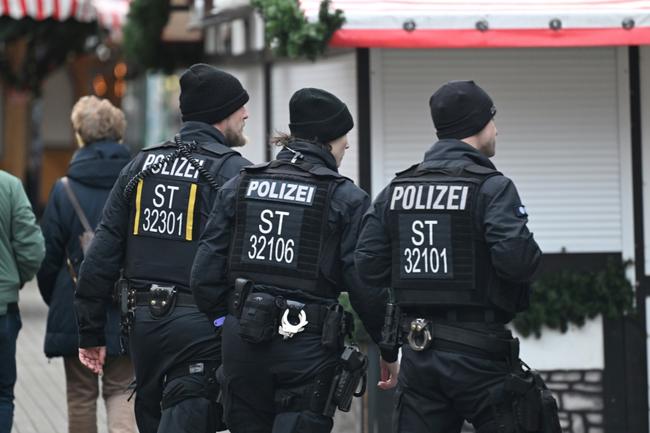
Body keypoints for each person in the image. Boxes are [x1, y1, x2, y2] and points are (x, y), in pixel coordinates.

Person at [355, 81, 559, 433]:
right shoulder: (492, 187)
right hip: (481, 356)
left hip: (420, 355)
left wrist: (392, 337)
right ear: (477, 125)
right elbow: (519, 261)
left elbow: (367, 266)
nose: (497, 129)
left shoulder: (397, 190)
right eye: (493, 120)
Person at [190, 87, 398, 433]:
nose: (347, 145)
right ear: (328, 140)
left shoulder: (240, 186)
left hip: (242, 343)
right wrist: (388, 349)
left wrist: (227, 323)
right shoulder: (345, 197)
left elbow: (203, 276)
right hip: (307, 348)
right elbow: (366, 286)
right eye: (344, 136)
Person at [74, 64, 252, 433]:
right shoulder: (233, 172)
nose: (246, 115)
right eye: (240, 108)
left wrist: (90, 332)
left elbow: (102, 253)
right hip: (202, 329)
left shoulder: (141, 164)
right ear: (221, 113)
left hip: (143, 330)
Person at [37, 95, 136, 433]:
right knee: (123, 390)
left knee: (80, 395)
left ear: (79, 135)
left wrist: (59, 300)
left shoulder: (64, 190)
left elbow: (48, 258)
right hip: (127, 304)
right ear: (119, 134)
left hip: (75, 303)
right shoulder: (137, 185)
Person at [0, 170, 45, 433]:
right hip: (2, 308)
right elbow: (32, 249)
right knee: (2, 395)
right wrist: (16, 279)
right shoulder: (9, 186)